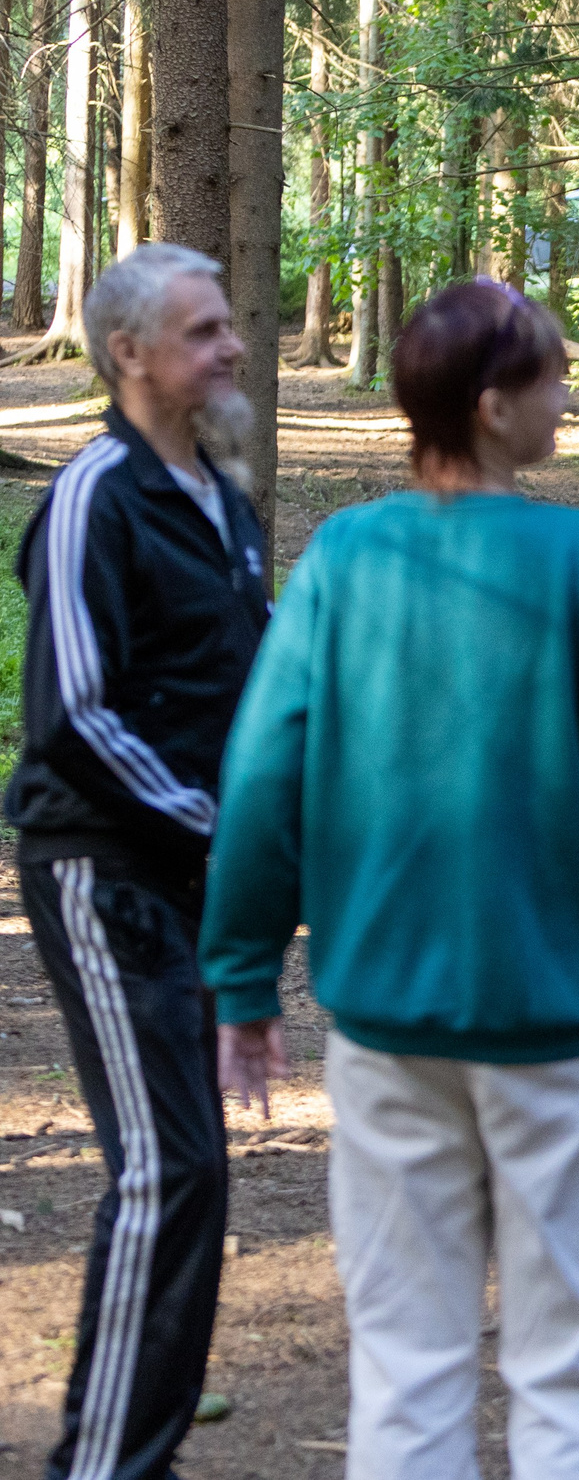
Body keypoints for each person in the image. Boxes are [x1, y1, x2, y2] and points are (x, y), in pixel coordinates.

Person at [200, 280, 579, 1479]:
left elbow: (263, 778)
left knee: (405, 1365)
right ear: (494, 407)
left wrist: (241, 979)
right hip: (557, 1031)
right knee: (576, 1369)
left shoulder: (343, 559)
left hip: (388, 1028)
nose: (567, 397)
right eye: (553, 377)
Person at [5, 244, 268, 1480]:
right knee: (168, 1171)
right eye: (204, 331)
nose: (232, 347)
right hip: (101, 870)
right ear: (129, 354)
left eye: (228, 326)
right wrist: (216, 823)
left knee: (191, 1176)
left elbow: (254, 684)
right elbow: (72, 714)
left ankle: (130, 1458)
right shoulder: (92, 495)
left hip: (195, 875)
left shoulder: (224, 498)